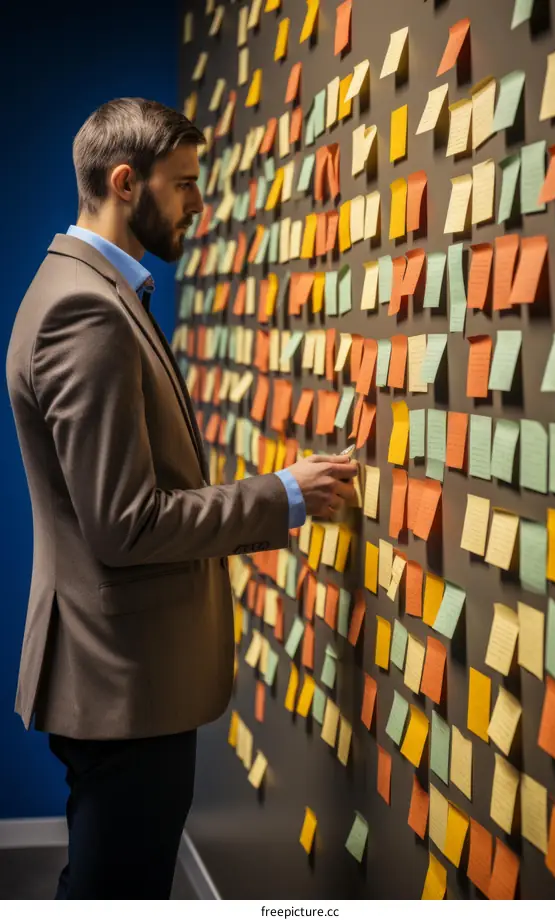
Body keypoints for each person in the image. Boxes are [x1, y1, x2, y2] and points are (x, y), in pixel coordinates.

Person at [5, 97, 358, 899]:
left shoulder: (86, 288)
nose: (202, 203)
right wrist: (283, 496)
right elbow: (126, 526)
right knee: (116, 892)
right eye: (186, 183)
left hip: (120, 670)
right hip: (123, 678)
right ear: (125, 183)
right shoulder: (83, 310)